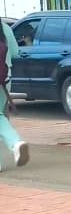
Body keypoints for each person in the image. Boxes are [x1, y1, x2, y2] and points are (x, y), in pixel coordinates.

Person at [0, 20, 30, 171]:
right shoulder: (4, 27)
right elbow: (14, 51)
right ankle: (15, 143)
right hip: (4, 79)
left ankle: (15, 143)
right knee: (0, 116)